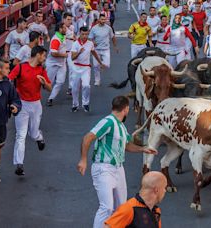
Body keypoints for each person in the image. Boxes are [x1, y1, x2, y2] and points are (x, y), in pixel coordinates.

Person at [77, 96, 157, 228]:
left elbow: (126, 145)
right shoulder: (108, 122)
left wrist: (143, 149)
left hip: (118, 169)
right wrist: (83, 160)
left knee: (121, 207)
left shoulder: (121, 126)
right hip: (104, 168)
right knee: (107, 207)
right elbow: (88, 137)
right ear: (126, 109)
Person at [8, 46, 52, 176]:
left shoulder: (42, 70)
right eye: (43, 55)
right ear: (37, 55)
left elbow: (49, 88)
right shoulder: (21, 67)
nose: (44, 58)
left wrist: (44, 83)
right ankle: (19, 164)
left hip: (36, 105)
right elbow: (9, 79)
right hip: (21, 104)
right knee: (20, 135)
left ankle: (39, 137)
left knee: (33, 134)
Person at [71, 27, 105, 112]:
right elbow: (72, 57)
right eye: (83, 34)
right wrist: (79, 52)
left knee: (86, 85)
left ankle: (85, 103)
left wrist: (100, 63)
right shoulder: (75, 44)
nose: (85, 36)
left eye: (86, 34)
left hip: (86, 68)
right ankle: (75, 104)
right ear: (80, 33)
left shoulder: (90, 43)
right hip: (76, 67)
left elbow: (94, 53)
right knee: (75, 88)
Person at [90, 13, 117, 86]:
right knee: (95, 66)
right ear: (99, 20)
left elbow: (113, 37)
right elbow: (90, 38)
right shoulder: (94, 28)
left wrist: (115, 46)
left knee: (107, 65)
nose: (103, 21)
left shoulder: (108, 28)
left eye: (104, 19)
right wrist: (93, 42)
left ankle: (101, 65)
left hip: (105, 49)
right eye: (102, 19)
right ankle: (97, 80)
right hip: (96, 50)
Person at [46, 23, 67, 106]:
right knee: (48, 84)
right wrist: (64, 55)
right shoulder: (56, 39)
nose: (66, 29)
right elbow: (53, 54)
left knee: (60, 82)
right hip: (52, 64)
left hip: (62, 64)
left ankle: (50, 98)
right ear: (60, 29)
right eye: (64, 28)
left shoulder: (63, 36)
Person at [63, 12, 76, 96]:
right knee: (60, 73)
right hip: (61, 53)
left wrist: (74, 38)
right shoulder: (61, 28)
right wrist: (69, 38)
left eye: (71, 19)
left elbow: (73, 36)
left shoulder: (72, 27)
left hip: (70, 52)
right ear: (64, 19)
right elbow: (60, 37)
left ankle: (70, 87)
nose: (69, 21)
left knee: (72, 69)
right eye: (68, 19)